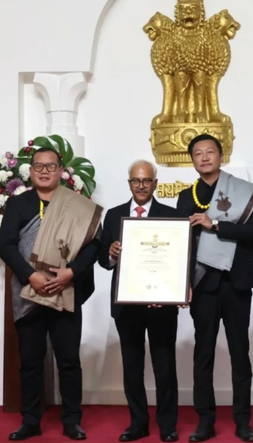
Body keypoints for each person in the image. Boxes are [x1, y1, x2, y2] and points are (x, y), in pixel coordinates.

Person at [0, 147, 102, 441]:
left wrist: (71, 272)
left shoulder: (78, 205)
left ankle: (72, 420)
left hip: (65, 289)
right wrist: (30, 275)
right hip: (28, 292)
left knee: (68, 360)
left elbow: (94, 245)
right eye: (38, 166)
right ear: (30, 171)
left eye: (50, 166)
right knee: (30, 361)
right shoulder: (17, 204)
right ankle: (30, 420)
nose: (44, 171)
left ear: (61, 171)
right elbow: (6, 246)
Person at [176, 134, 253, 443]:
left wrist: (214, 225)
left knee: (240, 352)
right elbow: (183, 243)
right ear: (192, 160)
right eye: (198, 153)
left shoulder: (243, 192)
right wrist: (184, 283)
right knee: (203, 353)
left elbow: (252, 234)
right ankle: (205, 420)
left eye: (210, 152)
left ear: (221, 155)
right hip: (203, 283)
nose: (204, 157)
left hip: (236, 280)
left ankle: (243, 421)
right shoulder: (187, 197)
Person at [99, 160, 180, 443]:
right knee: (132, 367)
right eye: (136, 181)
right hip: (127, 305)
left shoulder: (171, 216)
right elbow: (102, 259)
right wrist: (111, 253)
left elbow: (179, 259)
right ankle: (138, 423)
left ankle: (167, 425)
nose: (141, 186)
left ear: (155, 183)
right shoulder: (114, 215)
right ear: (129, 183)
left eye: (146, 181)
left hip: (162, 305)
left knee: (164, 366)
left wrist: (171, 291)